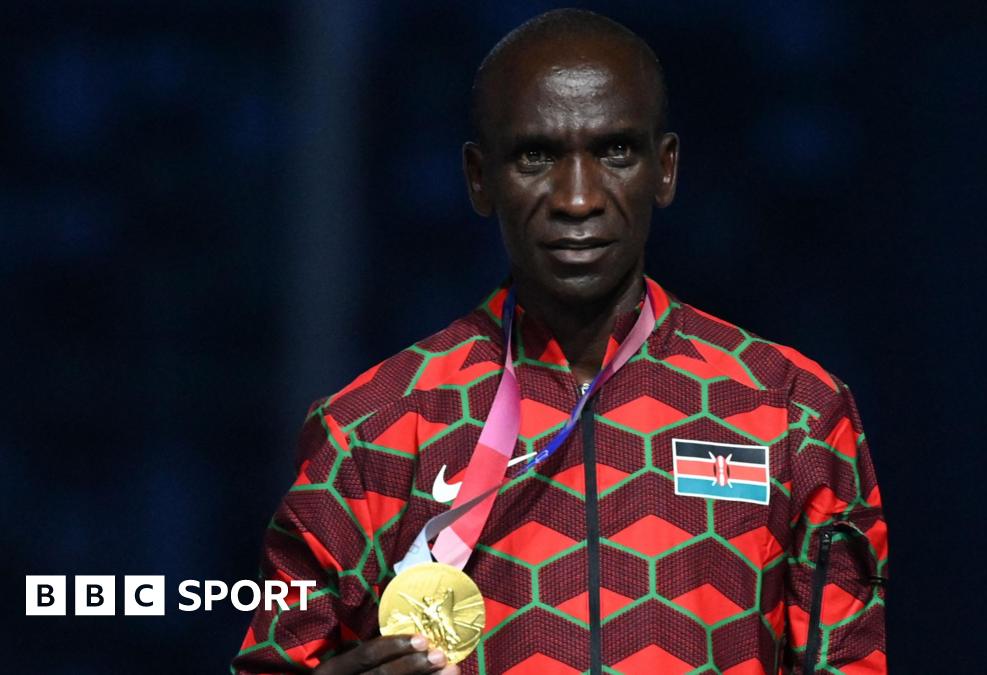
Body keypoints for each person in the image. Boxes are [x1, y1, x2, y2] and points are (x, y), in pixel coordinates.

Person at [232, 8, 887, 675]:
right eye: (535, 156)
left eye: (616, 152)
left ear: (665, 170)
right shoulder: (372, 429)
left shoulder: (793, 412)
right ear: (479, 178)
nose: (578, 198)